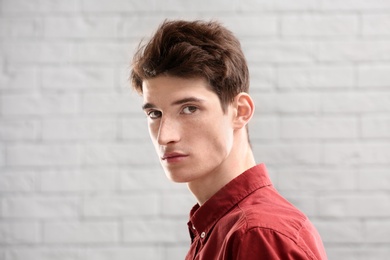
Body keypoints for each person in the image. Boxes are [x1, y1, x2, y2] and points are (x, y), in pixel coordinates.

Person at [130, 19, 327, 260]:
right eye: (154, 114)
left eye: (189, 109)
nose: (165, 136)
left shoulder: (256, 234)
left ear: (240, 111)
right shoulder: (221, 228)